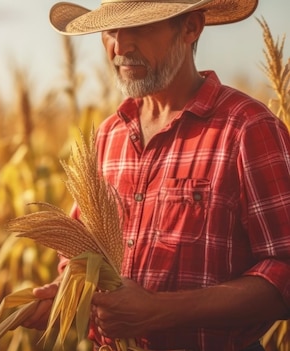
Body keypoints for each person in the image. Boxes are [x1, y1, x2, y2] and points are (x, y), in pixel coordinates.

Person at [22, 0, 290, 350]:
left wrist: (160, 310)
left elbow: (284, 270)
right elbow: (82, 253)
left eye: (139, 28)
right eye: (111, 31)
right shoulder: (107, 136)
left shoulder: (246, 129)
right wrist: (64, 293)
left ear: (191, 28)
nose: (120, 47)